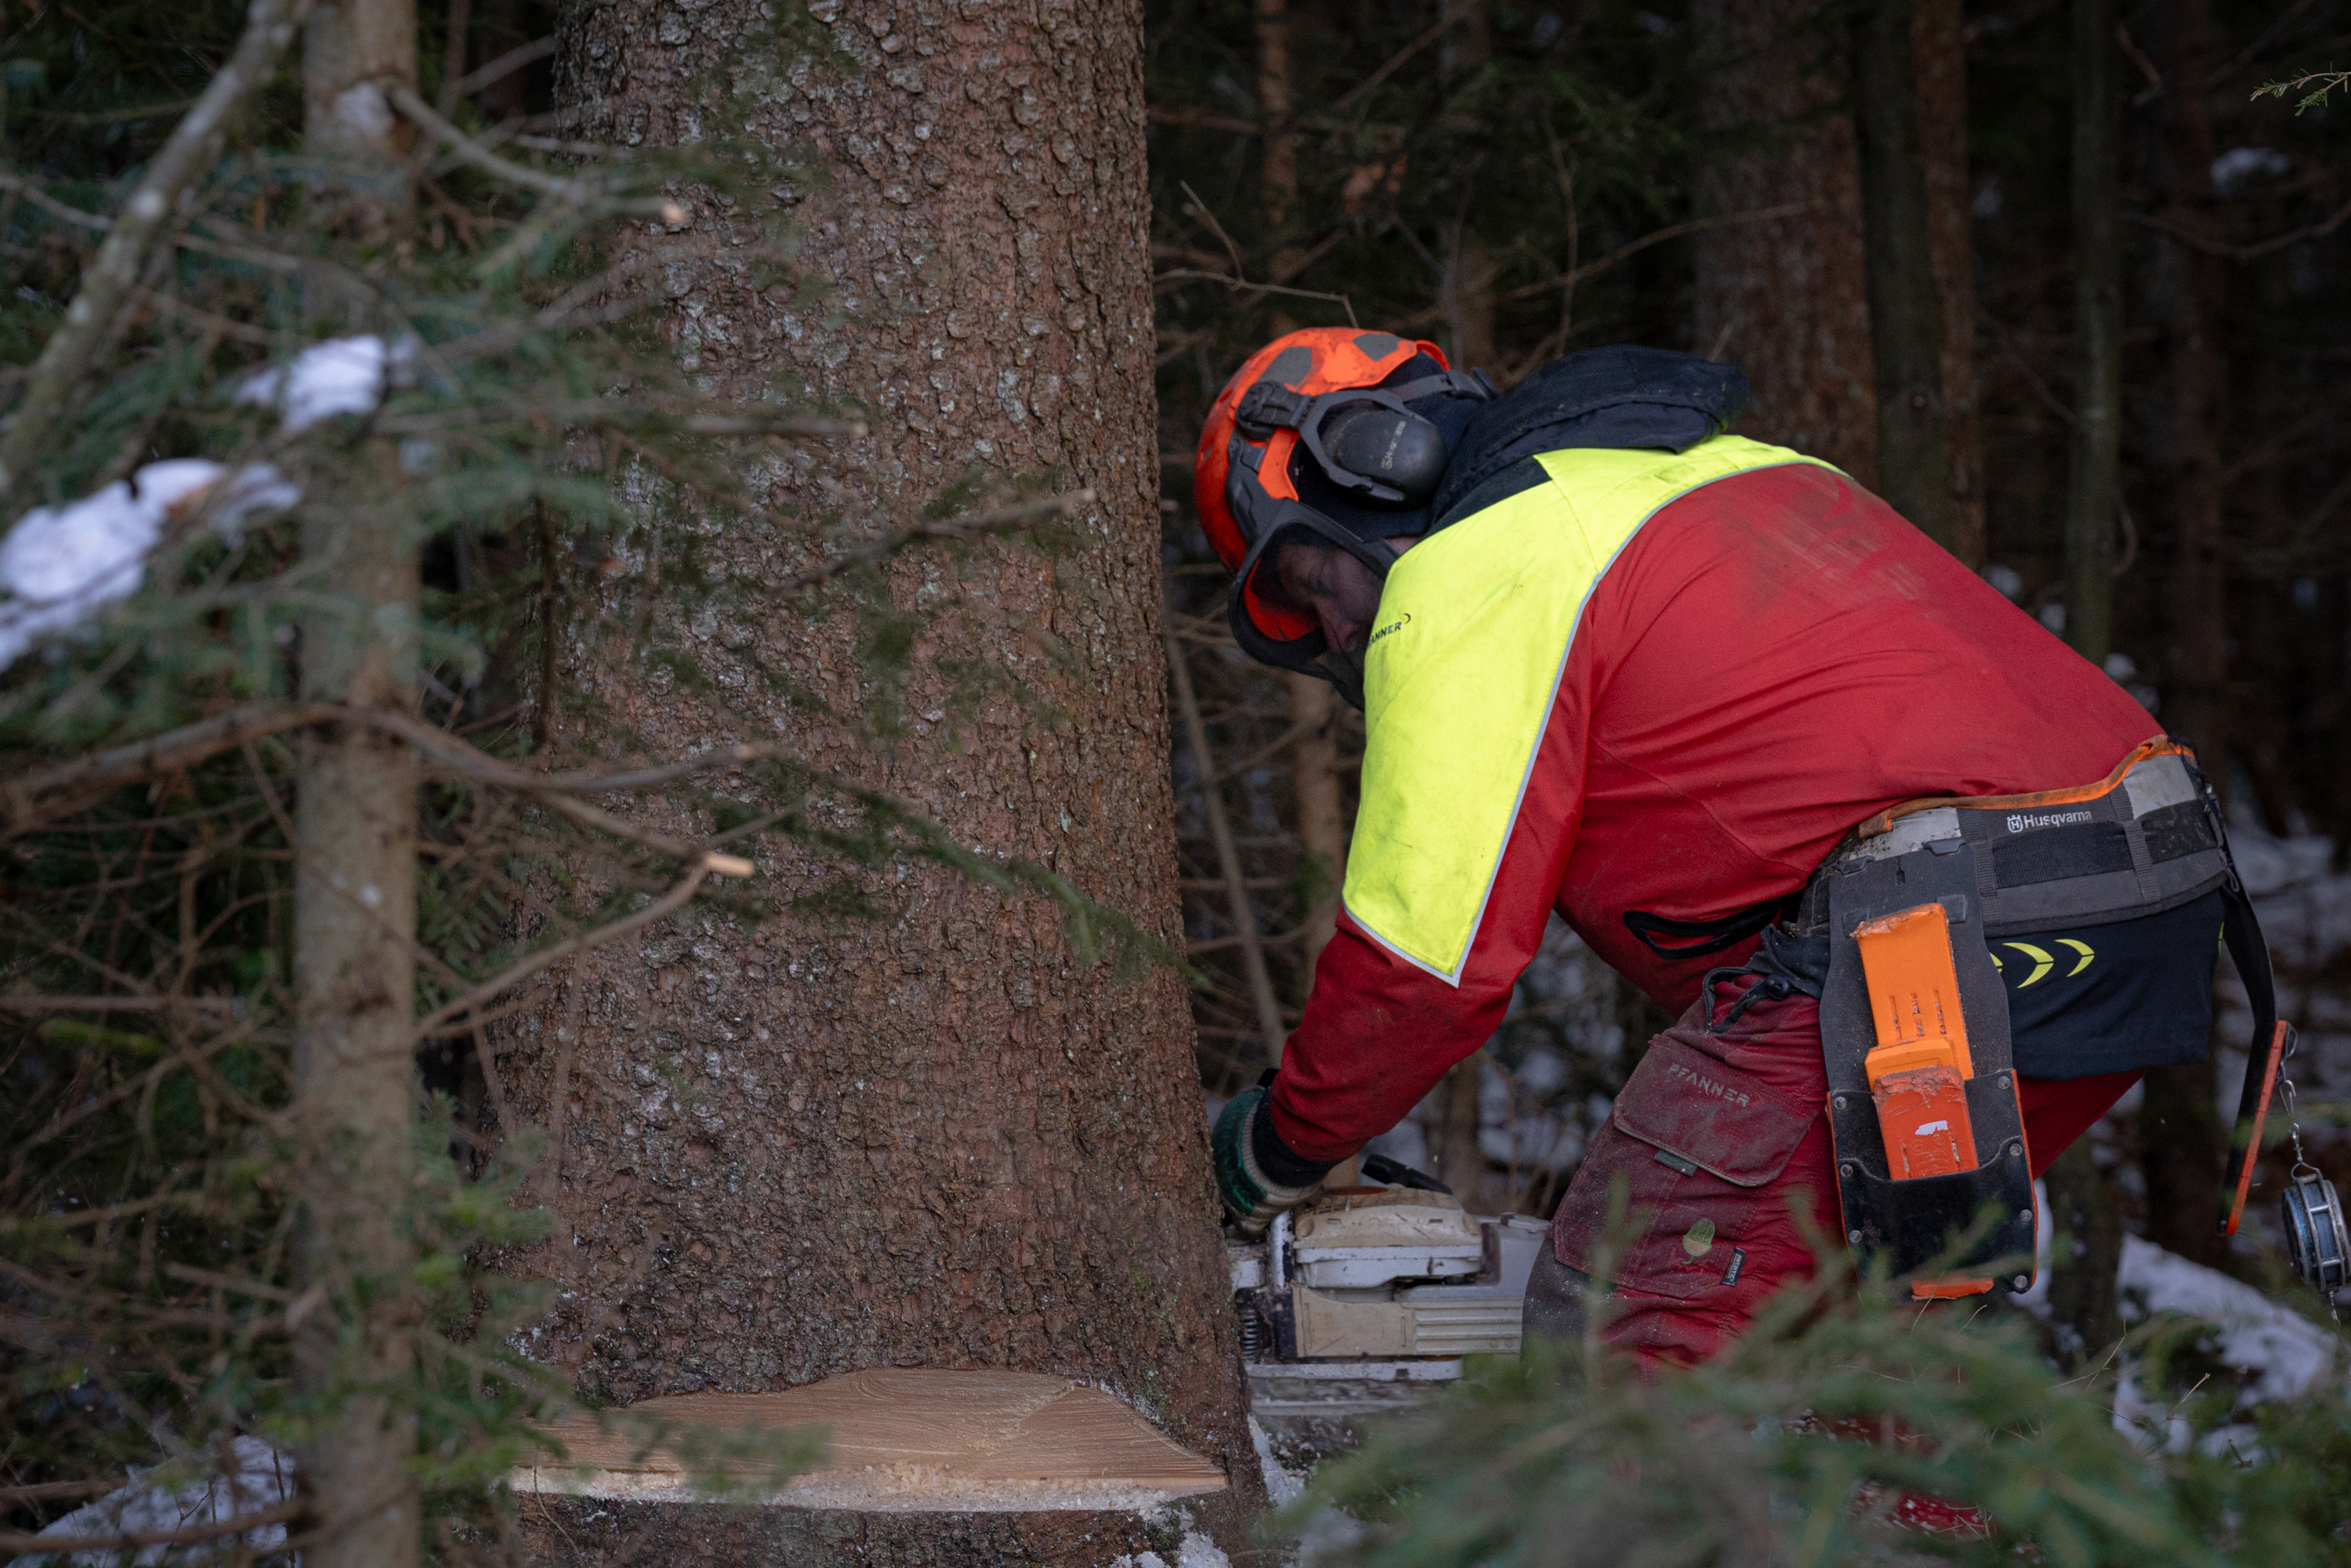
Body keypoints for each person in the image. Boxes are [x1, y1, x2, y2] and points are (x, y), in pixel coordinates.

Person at [1198, 328, 2274, 1367]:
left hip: (1926, 936)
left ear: (1370, 461)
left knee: (1626, 1329)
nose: (1334, 633)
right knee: (1873, 1345)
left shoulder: (1475, 566)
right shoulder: (1721, 471)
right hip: (2142, 886)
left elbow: (1424, 972)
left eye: (1308, 583)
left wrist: (1279, 1146)